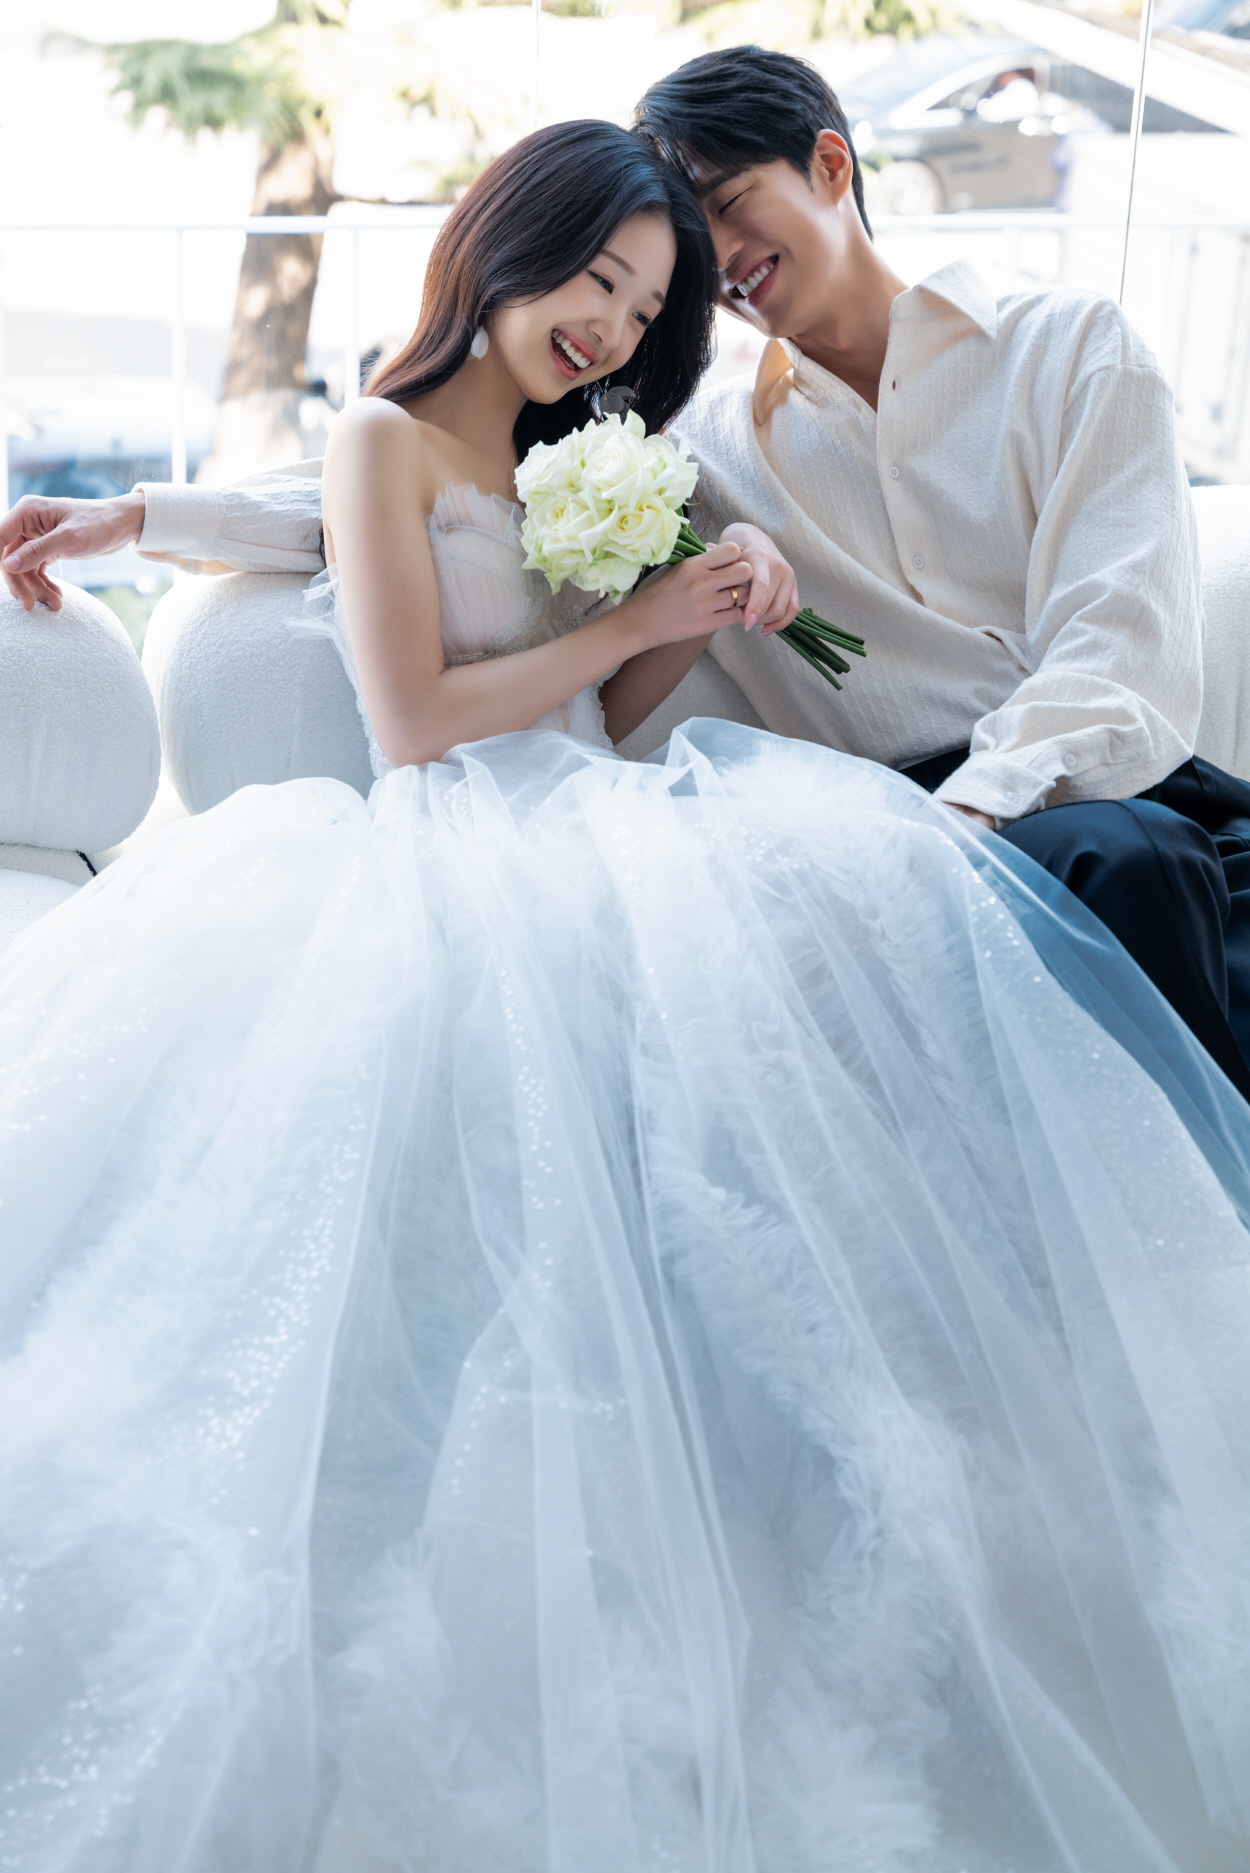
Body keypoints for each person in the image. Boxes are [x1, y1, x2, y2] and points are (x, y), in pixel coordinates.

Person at [1, 115, 1250, 1873]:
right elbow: (412, 712)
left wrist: (705, 608)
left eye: (649, 305)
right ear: (506, 241)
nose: (611, 323)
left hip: (617, 826)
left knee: (853, 1004)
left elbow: (604, 702)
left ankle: (972, 1477)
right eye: (598, 276)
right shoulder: (378, 432)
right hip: (467, 840)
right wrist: (149, 521)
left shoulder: (585, 461)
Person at [11, 49, 1250, 1099]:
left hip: (1103, 795)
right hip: (917, 830)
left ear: (830, 165)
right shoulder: (699, 449)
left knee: (1134, 860)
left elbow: (1118, 655)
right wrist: (140, 516)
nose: (719, 261)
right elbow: (429, 497)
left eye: (727, 204)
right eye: (667, 257)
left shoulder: (1069, 351)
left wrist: (964, 822)